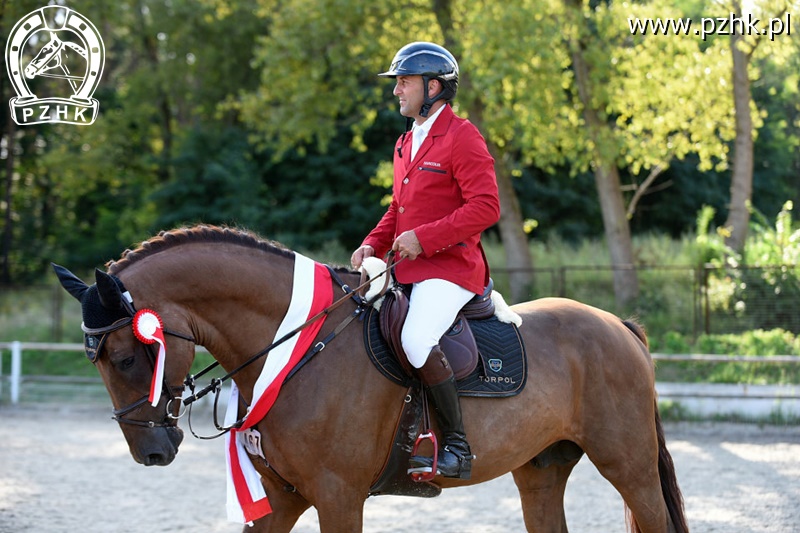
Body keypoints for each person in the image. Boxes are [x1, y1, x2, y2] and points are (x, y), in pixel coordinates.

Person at [351, 42, 500, 479]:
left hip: (452, 269)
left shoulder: (462, 136)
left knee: (416, 338)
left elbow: (486, 206)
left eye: (404, 82)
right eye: (397, 82)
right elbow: (398, 210)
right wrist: (372, 245)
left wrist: (426, 238)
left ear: (433, 87)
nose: (396, 90)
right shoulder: (404, 143)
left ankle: (457, 446)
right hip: (408, 267)